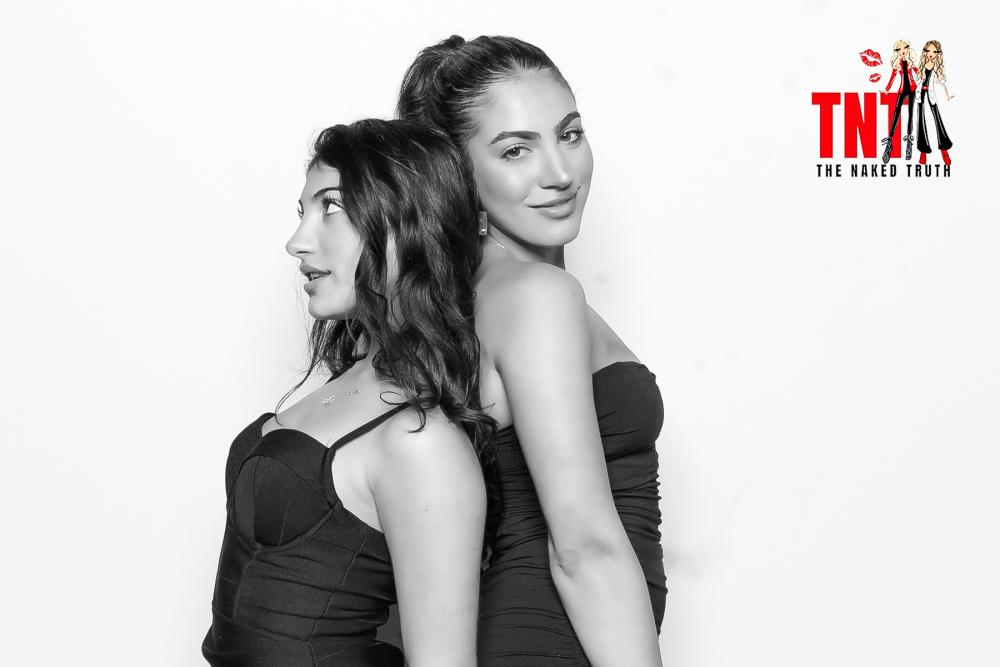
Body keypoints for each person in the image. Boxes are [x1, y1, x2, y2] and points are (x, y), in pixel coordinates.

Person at [398, 35, 666, 666]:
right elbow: (582, 549)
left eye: (569, 134)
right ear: (457, 173)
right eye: (516, 150)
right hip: (554, 640)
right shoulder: (536, 297)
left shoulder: (469, 297)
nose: (560, 173)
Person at [202, 119, 491, 667]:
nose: (297, 241)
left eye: (330, 207)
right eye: (302, 213)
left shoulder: (421, 441)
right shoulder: (353, 382)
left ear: (407, 220)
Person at [915, 40, 954, 166]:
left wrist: (948, 94)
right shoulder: (922, 64)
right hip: (920, 95)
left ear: (938, 53)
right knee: (921, 122)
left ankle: (944, 149)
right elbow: (916, 80)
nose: (931, 53)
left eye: (934, 51)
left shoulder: (937, 67)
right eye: (928, 51)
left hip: (931, 95)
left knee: (937, 120)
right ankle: (923, 151)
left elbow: (942, 82)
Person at [881, 39, 920, 163]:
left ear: (908, 48)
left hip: (912, 89)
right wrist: (886, 89)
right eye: (899, 49)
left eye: (905, 48)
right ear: (896, 51)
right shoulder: (897, 65)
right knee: (896, 112)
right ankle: (890, 141)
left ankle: (909, 141)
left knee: (910, 113)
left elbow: (919, 73)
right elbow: (892, 78)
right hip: (902, 90)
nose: (902, 51)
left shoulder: (911, 63)